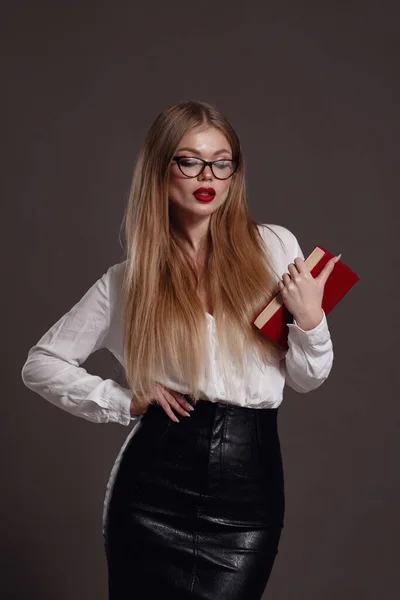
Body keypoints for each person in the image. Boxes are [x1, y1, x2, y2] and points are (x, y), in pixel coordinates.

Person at [21, 100, 338, 599]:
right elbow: (40, 364)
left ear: (235, 172)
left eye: (222, 161)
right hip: (150, 495)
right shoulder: (128, 282)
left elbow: (307, 377)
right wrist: (122, 399)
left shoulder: (274, 248)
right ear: (160, 169)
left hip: (247, 496)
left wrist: (311, 318)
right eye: (189, 160)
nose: (206, 174)